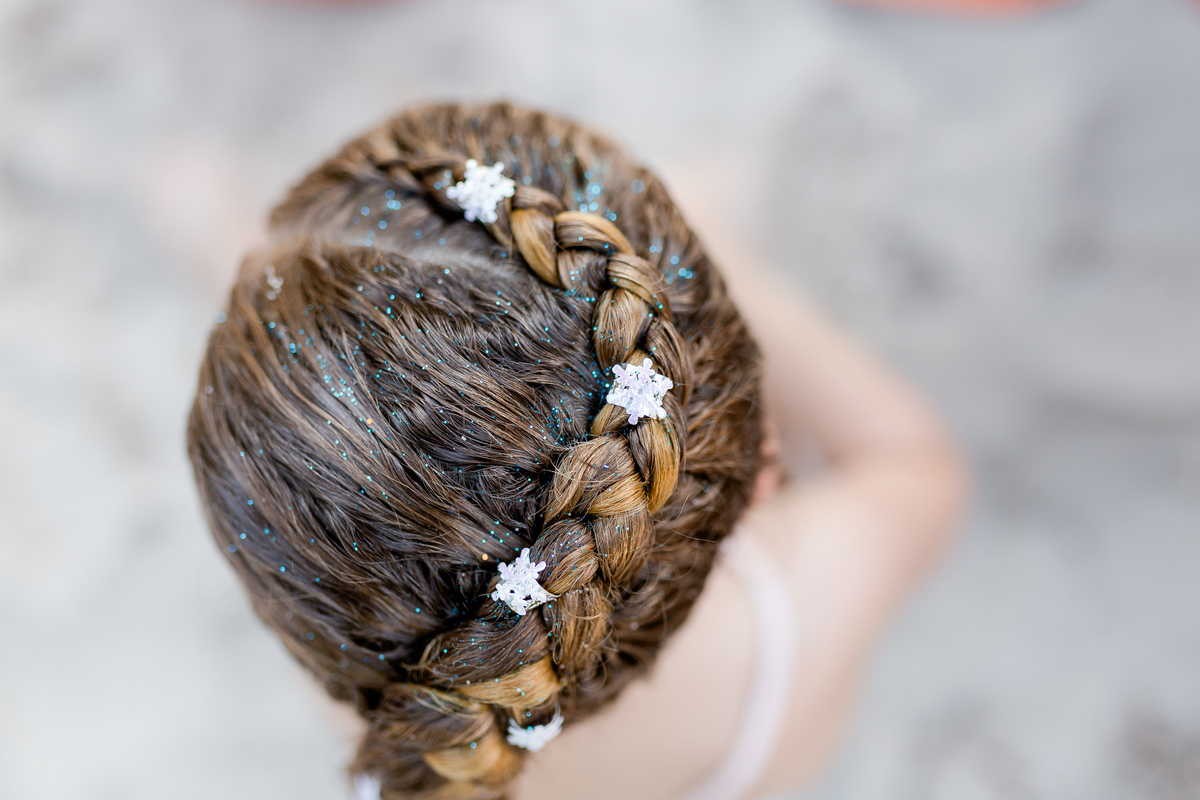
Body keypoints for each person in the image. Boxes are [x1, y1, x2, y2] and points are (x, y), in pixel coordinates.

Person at [187, 102, 966, 800]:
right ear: (764, 466)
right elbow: (917, 463)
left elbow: (353, 470)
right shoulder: (804, 614)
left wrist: (267, 313)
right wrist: (733, 260)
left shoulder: (375, 684)